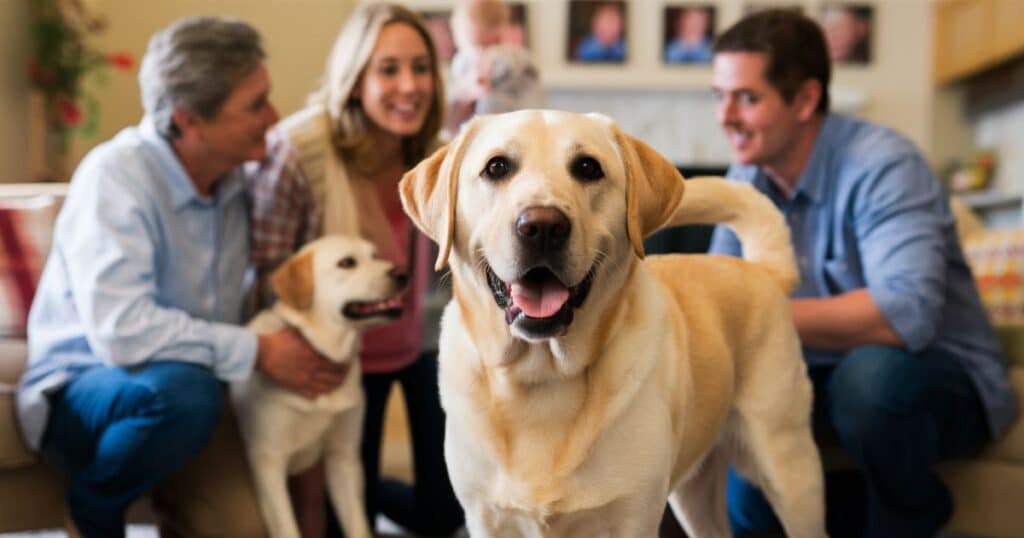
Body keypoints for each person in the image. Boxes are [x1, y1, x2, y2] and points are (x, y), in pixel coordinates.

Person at [15, 16, 350, 538]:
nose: (273, 116)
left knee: (245, 528)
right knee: (185, 395)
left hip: (192, 391)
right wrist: (258, 351)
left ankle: (172, 488)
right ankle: (92, 507)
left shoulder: (240, 179)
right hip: (85, 390)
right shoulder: (116, 178)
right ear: (189, 119)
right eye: (255, 105)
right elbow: (122, 332)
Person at [707, 9, 1017, 538]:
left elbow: (904, 316)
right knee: (745, 432)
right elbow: (717, 296)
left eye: (747, 98)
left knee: (869, 380)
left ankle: (911, 516)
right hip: (813, 376)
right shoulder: (746, 178)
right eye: (720, 95)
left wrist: (750, 310)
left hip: (935, 378)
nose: (725, 116)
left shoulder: (882, 165)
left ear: (805, 100)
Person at [248, 3, 464, 536]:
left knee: (449, 513)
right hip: (341, 359)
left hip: (422, 344)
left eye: (421, 68)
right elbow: (266, 274)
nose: (410, 86)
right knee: (351, 518)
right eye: (388, 69)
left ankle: (400, 498)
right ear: (354, 77)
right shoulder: (297, 152)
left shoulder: (436, 158)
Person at [445, 0, 543, 137]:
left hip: (511, 130)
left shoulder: (516, 59)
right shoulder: (463, 62)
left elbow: (535, 109)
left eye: (482, 46)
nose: (479, 53)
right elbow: (449, 118)